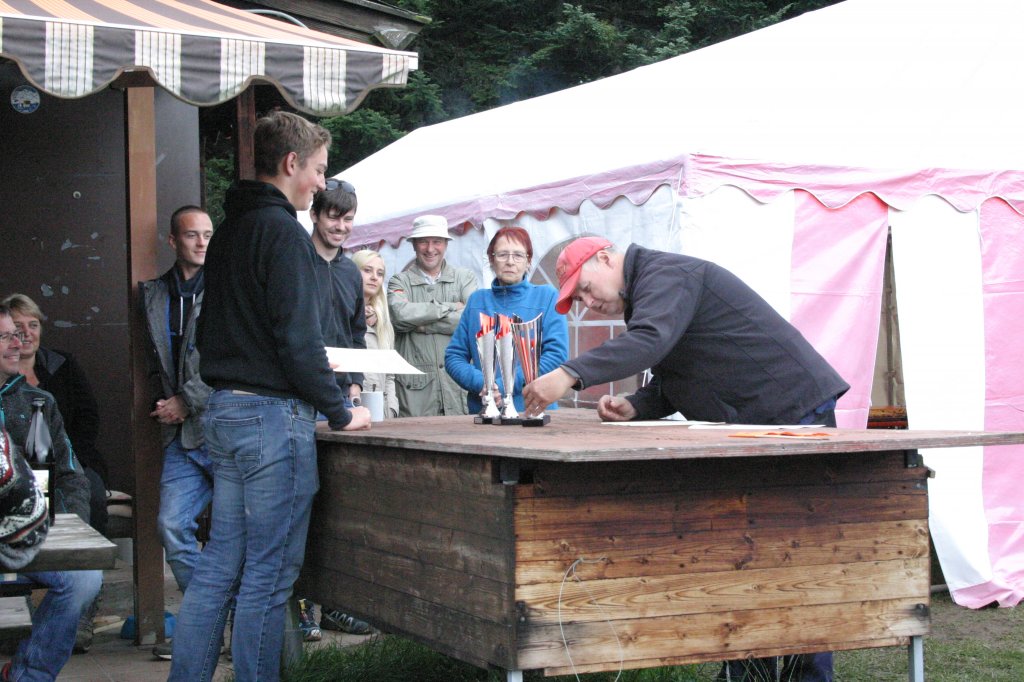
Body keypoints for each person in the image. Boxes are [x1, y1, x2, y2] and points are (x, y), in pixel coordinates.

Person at [522, 237, 849, 682]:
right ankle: (747, 673)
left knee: (796, 555)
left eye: (583, 288)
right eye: (578, 299)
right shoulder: (652, 291)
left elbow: (649, 342)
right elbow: (679, 372)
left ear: (605, 258)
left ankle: (805, 677)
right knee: (746, 553)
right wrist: (638, 405)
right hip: (757, 424)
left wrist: (569, 374)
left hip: (793, 414)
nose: (587, 303)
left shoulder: (666, 276)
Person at [170, 111, 371, 682]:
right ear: (291, 163)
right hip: (271, 420)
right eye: (319, 171)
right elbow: (299, 341)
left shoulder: (230, 230)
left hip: (225, 410)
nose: (321, 184)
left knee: (218, 568)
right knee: (267, 575)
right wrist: (340, 411)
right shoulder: (283, 233)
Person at [2, 292, 110, 652]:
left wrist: (66, 530)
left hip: (50, 493)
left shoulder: (45, 392)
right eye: (10, 332)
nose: (21, 338)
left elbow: (72, 461)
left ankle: (32, 669)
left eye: (30, 327)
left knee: (84, 575)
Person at [138, 206, 214, 660]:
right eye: (192, 235)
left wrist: (188, 399)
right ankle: (209, 621)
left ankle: (218, 628)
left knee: (237, 538)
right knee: (171, 525)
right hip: (181, 438)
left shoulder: (226, 289)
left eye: (207, 234)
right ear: (173, 241)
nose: (202, 242)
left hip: (224, 431)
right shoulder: (152, 294)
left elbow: (231, 358)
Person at [296, 179, 367, 642]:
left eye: (348, 218)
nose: (340, 226)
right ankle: (303, 605)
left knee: (338, 505)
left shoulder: (351, 272)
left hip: (341, 401)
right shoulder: (295, 262)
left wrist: (356, 386)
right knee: (300, 503)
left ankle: (336, 605)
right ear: (315, 215)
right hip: (297, 399)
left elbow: (356, 334)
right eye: (333, 216)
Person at [2, 294, 108, 537]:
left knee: (92, 497)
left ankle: (85, 554)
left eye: (33, 325)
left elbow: (87, 416)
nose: (26, 333)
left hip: (69, 460)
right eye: (18, 327)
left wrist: (69, 457)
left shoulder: (62, 364)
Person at [445, 226, 568, 415]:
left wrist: (504, 386)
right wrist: (483, 384)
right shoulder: (477, 301)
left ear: (528, 261)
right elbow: (454, 356)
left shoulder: (547, 297)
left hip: (533, 412)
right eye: (502, 255)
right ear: (491, 259)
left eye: (518, 255)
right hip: (485, 413)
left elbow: (555, 355)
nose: (510, 262)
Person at [388, 215, 477, 417]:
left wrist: (423, 324)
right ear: (414, 245)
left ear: (446, 244)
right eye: (423, 242)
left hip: (457, 388)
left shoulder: (464, 278)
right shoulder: (399, 281)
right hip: (415, 394)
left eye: (436, 241)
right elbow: (400, 314)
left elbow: (471, 320)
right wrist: (448, 307)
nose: (430, 249)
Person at [351, 249, 398, 419]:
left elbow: (390, 374)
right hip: (352, 408)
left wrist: (392, 409)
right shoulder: (341, 314)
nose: (374, 277)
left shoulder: (383, 321)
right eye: (367, 270)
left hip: (381, 413)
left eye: (380, 273)